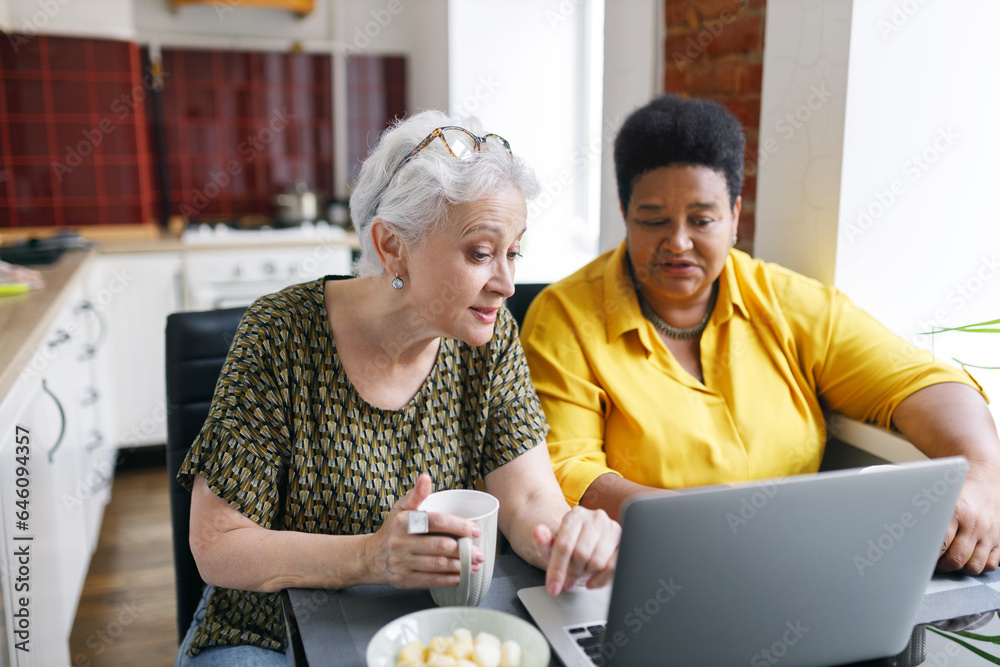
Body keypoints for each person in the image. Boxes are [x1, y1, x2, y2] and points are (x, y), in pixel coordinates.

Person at [175, 110, 620, 665]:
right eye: (482, 253)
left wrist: (570, 539)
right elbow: (218, 544)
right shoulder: (281, 333)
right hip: (269, 629)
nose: (506, 284)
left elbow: (529, 498)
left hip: (429, 630)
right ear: (391, 247)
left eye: (514, 253)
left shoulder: (488, 336)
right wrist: (369, 557)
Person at [519, 94, 1000, 575]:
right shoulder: (565, 317)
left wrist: (981, 473)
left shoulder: (787, 302)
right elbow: (569, 470)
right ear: (625, 213)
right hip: (647, 570)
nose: (679, 241)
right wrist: (710, 528)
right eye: (654, 219)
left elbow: (919, 381)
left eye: (702, 219)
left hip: (796, 571)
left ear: (734, 215)